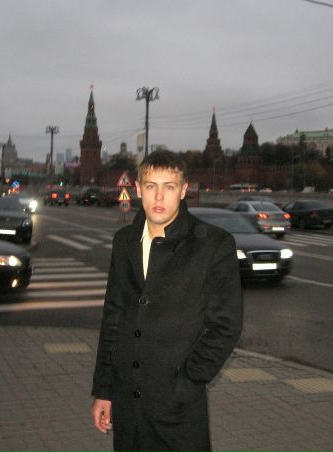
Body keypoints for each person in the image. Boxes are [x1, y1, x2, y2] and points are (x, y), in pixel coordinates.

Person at [91, 150, 243, 452]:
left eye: (169, 186)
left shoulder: (213, 245)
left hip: (178, 413)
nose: (159, 196)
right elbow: (113, 317)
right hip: (127, 406)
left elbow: (226, 326)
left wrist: (187, 383)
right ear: (138, 189)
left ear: (184, 190)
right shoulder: (124, 242)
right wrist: (104, 390)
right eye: (151, 186)